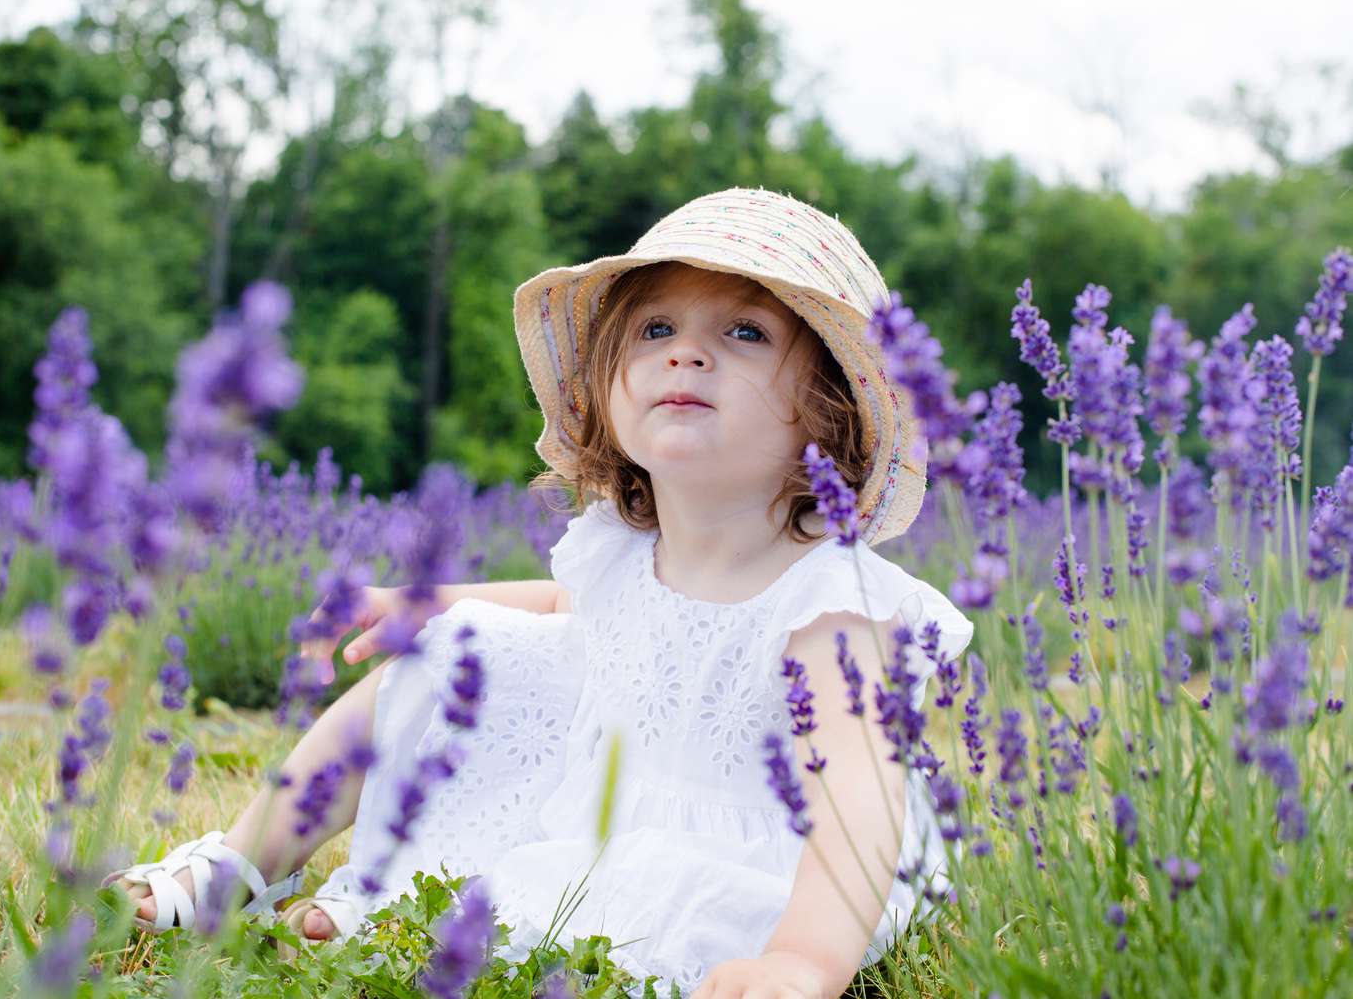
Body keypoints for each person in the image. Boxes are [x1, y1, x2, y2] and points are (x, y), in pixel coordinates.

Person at [102, 186, 975, 997]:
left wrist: (801, 960)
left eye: (745, 332)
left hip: (769, 857)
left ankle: (405, 916)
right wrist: (431, 604)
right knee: (455, 651)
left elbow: (859, 806)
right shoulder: (623, 551)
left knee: (603, 910)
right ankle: (245, 862)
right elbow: (575, 615)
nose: (688, 351)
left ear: (826, 405)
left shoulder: (830, 604)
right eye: (654, 328)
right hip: (605, 789)